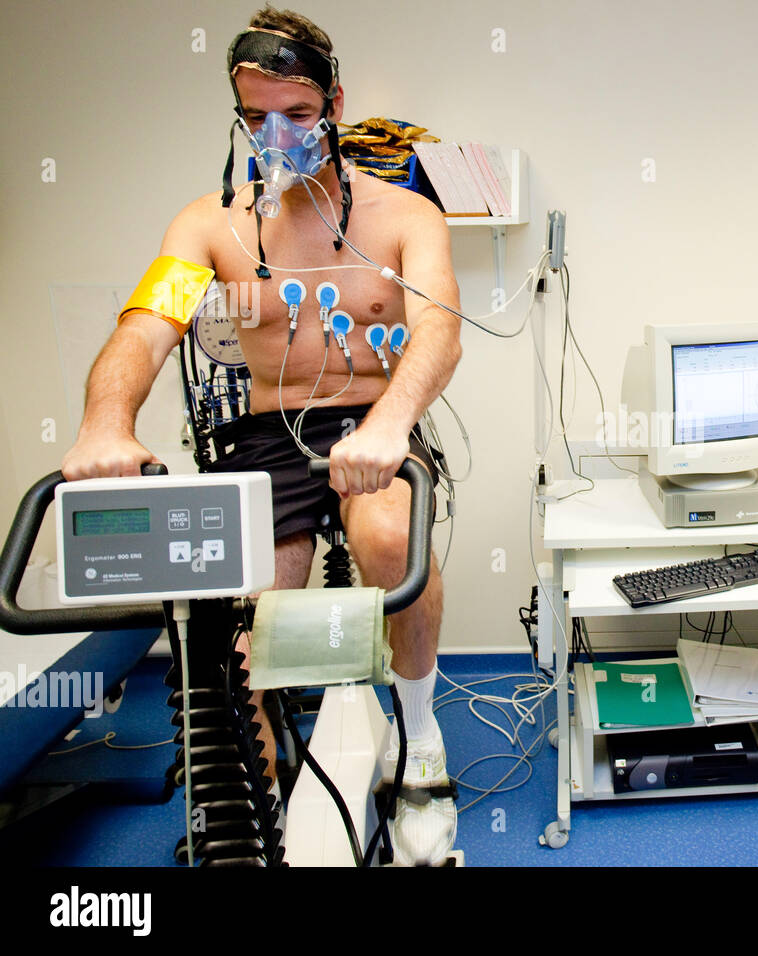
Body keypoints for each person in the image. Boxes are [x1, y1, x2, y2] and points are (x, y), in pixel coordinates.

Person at [60, 6, 463, 865]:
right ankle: (263, 796)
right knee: (252, 621)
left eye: (299, 115)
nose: (276, 135)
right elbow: (144, 325)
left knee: (392, 540)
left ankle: (421, 739)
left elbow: (439, 329)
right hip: (267, 430)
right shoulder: (209, 224)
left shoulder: (403, 216)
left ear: (336, 104)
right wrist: (104, 422)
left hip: (371, 422)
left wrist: (391, 424)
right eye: (255, 117)